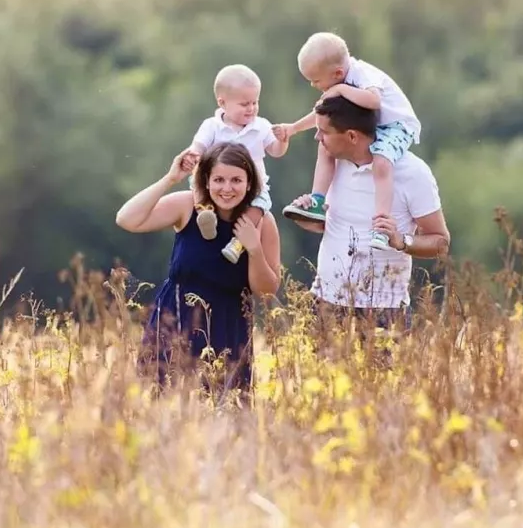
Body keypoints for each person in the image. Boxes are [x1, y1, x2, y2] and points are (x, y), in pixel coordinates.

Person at [116, 142, 283, 393]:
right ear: (206, 181)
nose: (227, 189)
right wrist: (170, 178)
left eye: (236, 180)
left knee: (224, 412)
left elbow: (267, 291)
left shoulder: (261, 220)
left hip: (228, 328)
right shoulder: (188, 206)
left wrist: (254, 249)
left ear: (249, 183)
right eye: (218, 180)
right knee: (160, 406)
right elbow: (127, 219)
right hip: (174, 321)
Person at [284, 95, 449, 326]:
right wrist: (308, 217)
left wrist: (400, 241)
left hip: (384, 311)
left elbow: (440, 242)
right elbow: (334, 227)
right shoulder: (332, 166)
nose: (317, 137)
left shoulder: (412, 172)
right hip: (324, 304)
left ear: (352, 136)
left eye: (324, 132)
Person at [273, 32, 423, 252]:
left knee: (381, 162)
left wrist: (341, 90)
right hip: (371, 125)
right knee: (325, 145)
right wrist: (293, 128)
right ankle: (317, 201)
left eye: (316, 80)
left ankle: (381, 224)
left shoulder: (362, 75)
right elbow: (321, 115)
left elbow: (374, 101)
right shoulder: (339, 81)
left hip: (395, 126)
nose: (314, 85)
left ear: (338, 73)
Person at [184, 63, 289, 261]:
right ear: (222, 103)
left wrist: (283, 141)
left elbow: (275, 151)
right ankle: (205, 214)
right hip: (216, 181)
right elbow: (198, 146)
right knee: (196, 181)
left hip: (253, 185)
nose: (251, 109)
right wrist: (193, 155)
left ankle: (238, 243)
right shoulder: (212, 126)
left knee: (259, 206)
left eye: (255, 103)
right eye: (244, 104)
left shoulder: (261, 126)